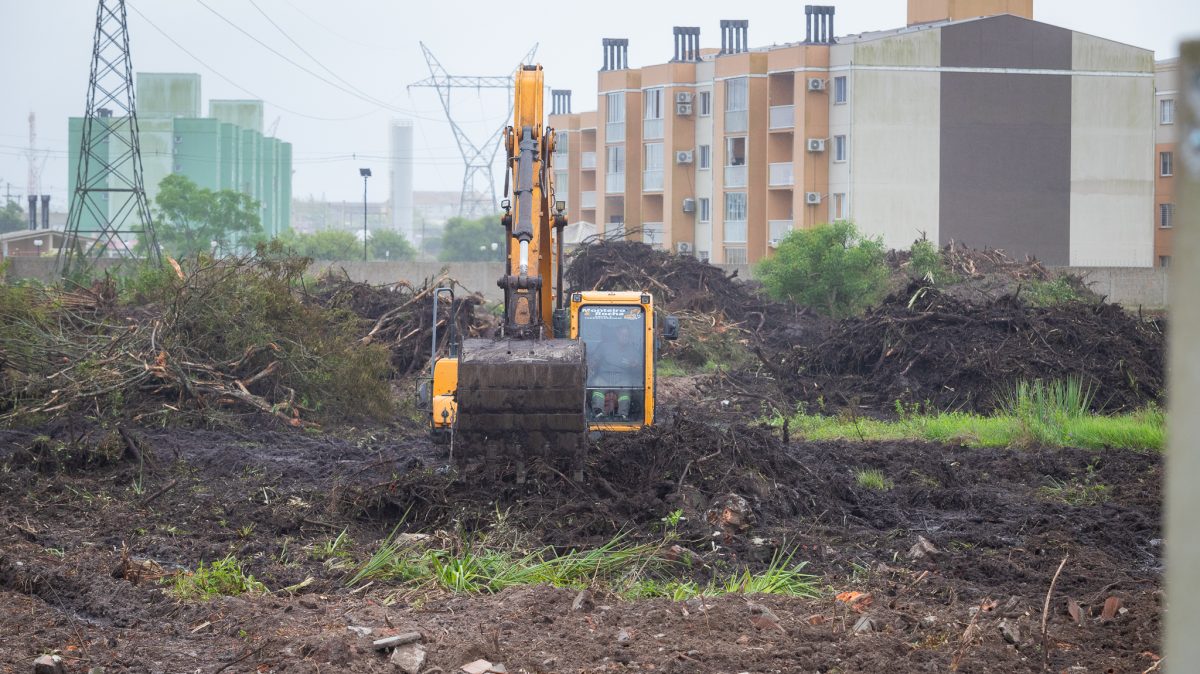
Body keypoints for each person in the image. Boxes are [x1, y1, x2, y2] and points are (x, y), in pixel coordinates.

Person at [588, 320, 639, 420]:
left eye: (627, 335)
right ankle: (598, 413)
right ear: (617, 334)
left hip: (622, 379)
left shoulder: (632, 350)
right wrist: (592, 364)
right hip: (604, 377)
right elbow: (594, 360)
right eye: (622, 334)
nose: (624, 337)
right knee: (597, 386)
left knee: (625, 391)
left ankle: (622, 415)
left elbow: (640, 365)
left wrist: (635, 365)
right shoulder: (604, 346)